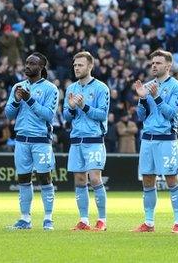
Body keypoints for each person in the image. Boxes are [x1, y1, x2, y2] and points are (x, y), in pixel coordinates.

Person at [132, 50, 178, 233]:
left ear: (168, 66)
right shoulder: (146, 86)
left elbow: (171, 113)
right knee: (147, 180)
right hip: (147, 139)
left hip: (166, 139)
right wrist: (142, 98)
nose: (154, 66)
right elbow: (141, 116)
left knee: (172, 179)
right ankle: (149, 222)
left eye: (158, 63)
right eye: (152, 63)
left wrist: (156, 97)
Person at [4, 53, 59, 230]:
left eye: (32, 63)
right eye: (26, 63)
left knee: (45, 178)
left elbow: (49, 115)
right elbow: (9, 114)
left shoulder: (51, 89)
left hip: (41, 140)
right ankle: (25, 219)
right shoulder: (18, 87)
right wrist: (17, 100)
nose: (27, 66)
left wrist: (29, 99)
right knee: (23, 179)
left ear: (41, 67)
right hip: (21, 140)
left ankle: (48, 218)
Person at [64, 52, 110, 231]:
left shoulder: (101, 88)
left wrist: (84, 106)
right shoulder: (71, 89)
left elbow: (102, 114)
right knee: (79, 179)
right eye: (75, 65)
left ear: (90, 67)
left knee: (95, 178)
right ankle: (84, 220)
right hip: (76, 140)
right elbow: (66, 116)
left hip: (94, 140)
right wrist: (72, 108)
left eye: (80, 65)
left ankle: (102, 220)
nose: (76, 68)